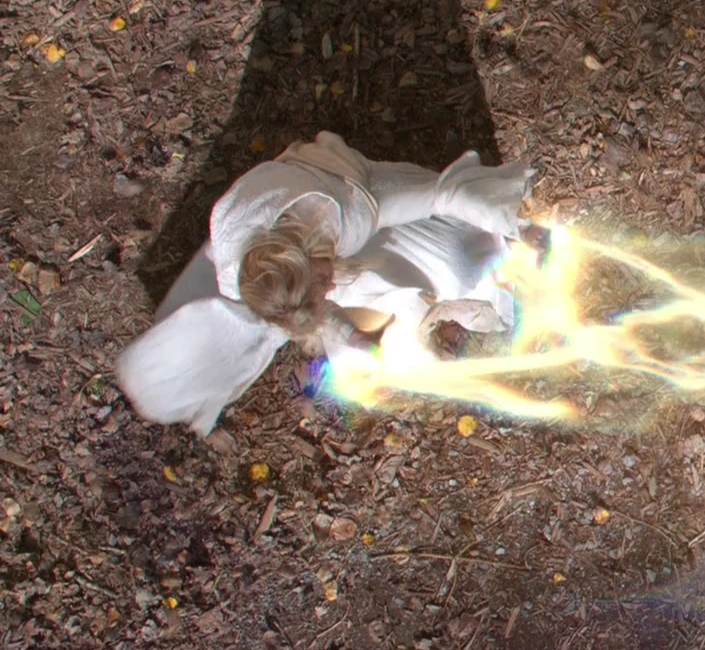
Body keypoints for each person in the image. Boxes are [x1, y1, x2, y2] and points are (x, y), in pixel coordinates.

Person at [117, 132, 533, 436]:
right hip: (319, 225)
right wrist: (350, 335)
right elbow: (299, 311)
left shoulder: (335, 217)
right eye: (322, 289)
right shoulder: (254, 280)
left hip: (357, 188)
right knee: (363, 352)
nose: (329, 286)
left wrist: (503, 219)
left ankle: (463, 269)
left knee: (459, 261)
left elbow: (437, 198)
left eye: (322, 282)